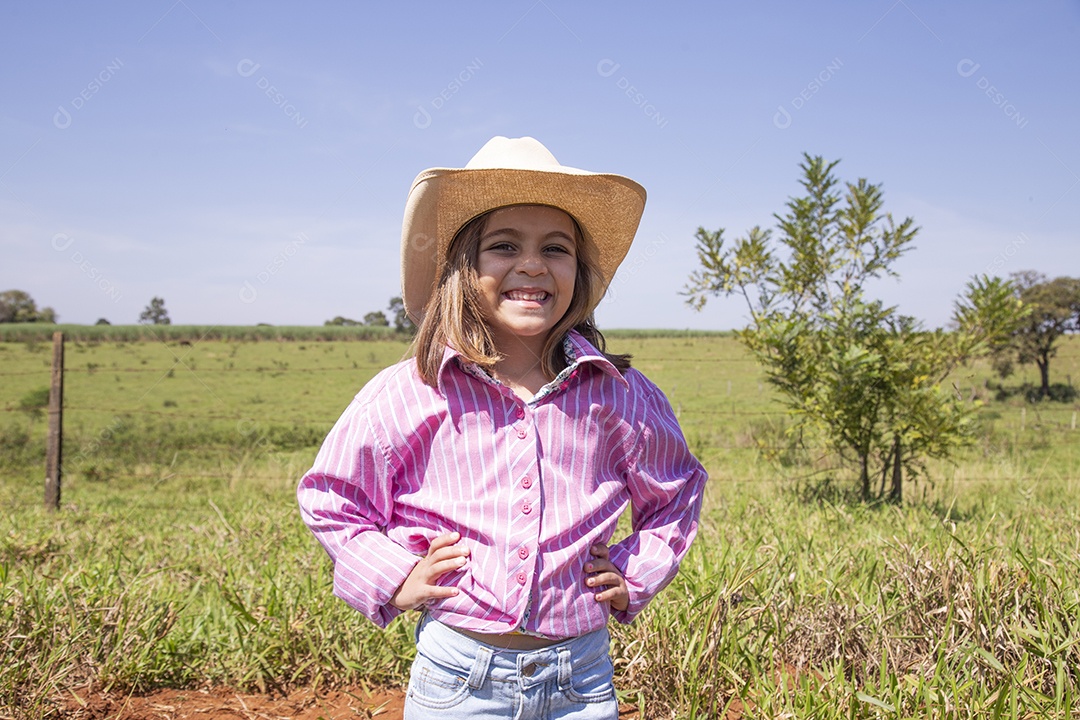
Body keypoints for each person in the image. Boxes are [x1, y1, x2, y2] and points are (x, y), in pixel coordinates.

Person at [297, 136, 708, 719]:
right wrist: (396, 576)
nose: (533, 264)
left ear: (578, 273)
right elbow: (333, 497)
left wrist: (634, 572)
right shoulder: (412, 388)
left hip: (581, 680)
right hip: (458, 675)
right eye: (504, 245)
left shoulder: (620, 394)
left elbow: (679, 490)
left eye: (556, 248)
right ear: (462, 268)